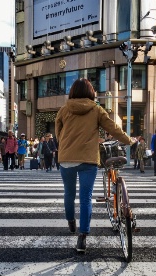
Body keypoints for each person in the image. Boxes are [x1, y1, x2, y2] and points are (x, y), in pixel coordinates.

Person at [55, 78, 135, 253]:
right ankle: (82, 237)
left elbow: (58, 134)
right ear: (91, 92)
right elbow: (113, 128)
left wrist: (66, 145)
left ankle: (71, 222)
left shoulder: (64, 110)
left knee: (69, 193)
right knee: (85, 197)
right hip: (88, 159)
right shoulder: (96, 110)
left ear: (73, 92)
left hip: (67, 158)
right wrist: (128, 140)